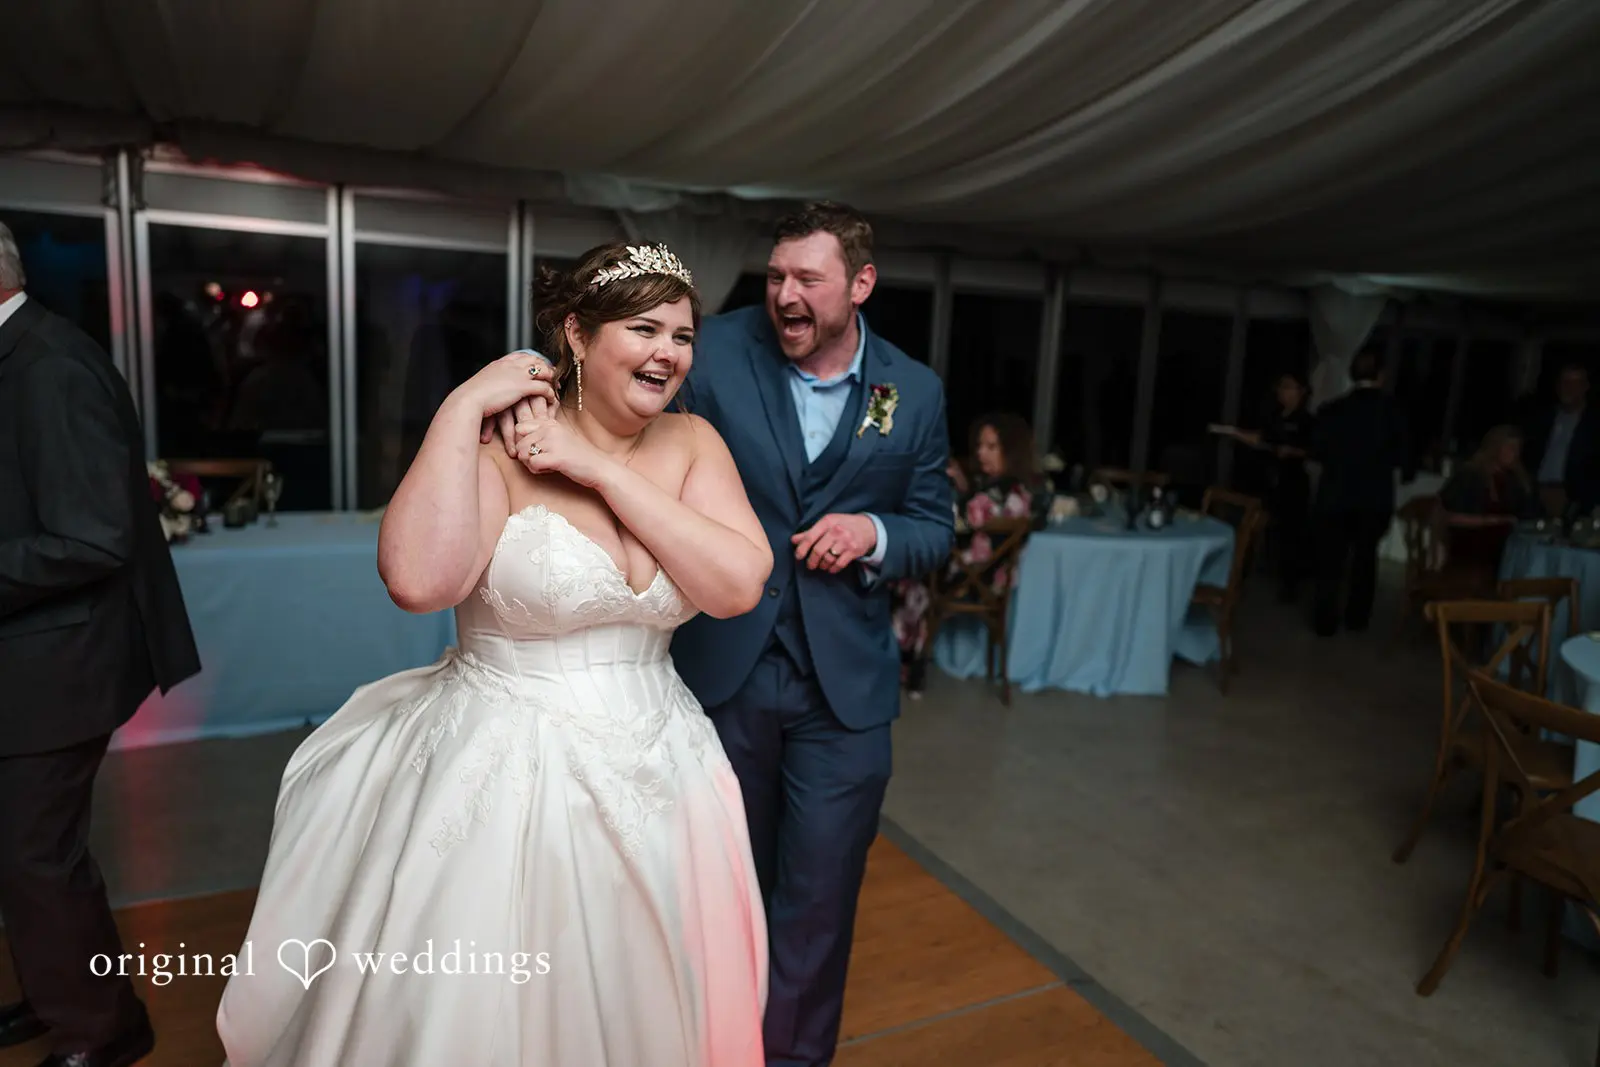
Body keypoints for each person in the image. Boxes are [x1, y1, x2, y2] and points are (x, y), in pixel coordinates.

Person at [216, 242, 772, 1066]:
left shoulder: (693, 445)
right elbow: (416, 580)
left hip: (668, 766)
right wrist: (462, 407)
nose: (669, 352)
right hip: (514, 768)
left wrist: (596, 470)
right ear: (578, 336)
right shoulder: (497, 451)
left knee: (657, 993)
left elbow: (737, 585)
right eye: (645, 327)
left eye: (683, 335)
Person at [666, 203, 954, 1066]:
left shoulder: (914, 390)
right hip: (724, 674)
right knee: (714, 892)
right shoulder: (713, 349)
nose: (785, 296)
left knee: (819, 903)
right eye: (775, 276)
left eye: (807, 280)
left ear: (860, 285)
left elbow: (934, 528)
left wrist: (875, 533)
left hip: (845, 693)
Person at [0, 220, 200, 1067]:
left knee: (36, 856)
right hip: (36, 649)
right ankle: (68, 996)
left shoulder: (47, 365)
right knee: (31, 856)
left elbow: (90, 537)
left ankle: (105, 1029)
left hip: (60, 659)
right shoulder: (26, 355)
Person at [893, 412, 1047, 696]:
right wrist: (966, 488)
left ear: (1010, 451)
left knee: (899, 576)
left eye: (991, 447)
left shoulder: (992, 496)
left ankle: (905, 665)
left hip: (966, 582)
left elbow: (955, 523)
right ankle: (904, 660)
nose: (981, 453)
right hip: (990, 583)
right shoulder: (1020, 490)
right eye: (980, 446)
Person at [1308, 349, 1412, 636]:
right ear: (1381, 374)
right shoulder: (1393, 412)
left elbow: (1316, 452)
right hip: (1373, 499)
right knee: (1365, 560)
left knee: (1330, 562)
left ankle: (1325, 621)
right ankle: (1357, 619)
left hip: (1334, 496)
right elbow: (1405, 458)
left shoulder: (1331, 410)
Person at [1232, 374, 1315, 601]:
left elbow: (1313, 450)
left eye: (1288, 387)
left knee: (1291, 535)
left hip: (1293, 482)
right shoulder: (1274, 417)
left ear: (1302, 392)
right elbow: (1262, 439)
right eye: (1280, 387)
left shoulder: (1307, 421)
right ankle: (1242, 576)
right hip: (1269, 478)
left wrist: (1292, 451)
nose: (1282, 392)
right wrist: (1235, 433)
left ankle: (1290, 585)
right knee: (1255, 525)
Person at [1436, 424, 1540, 580]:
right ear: (1495, 447)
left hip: (1505, 547)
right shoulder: (1470, 475)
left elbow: (1526, 514)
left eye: (1518, 449)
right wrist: (1494, 521)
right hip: (1471, 546)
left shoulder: (1516, 479)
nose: (1515, 453)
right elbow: (1450, 517)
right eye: (1510, 448)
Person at [1520, 362, 1600, 517]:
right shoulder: (1543, 418)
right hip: (1535, 493)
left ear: (1585, 387)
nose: (1568, 388)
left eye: (1575, 383)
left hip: (1570, 498)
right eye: (1564, 382)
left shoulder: (1594, 424)